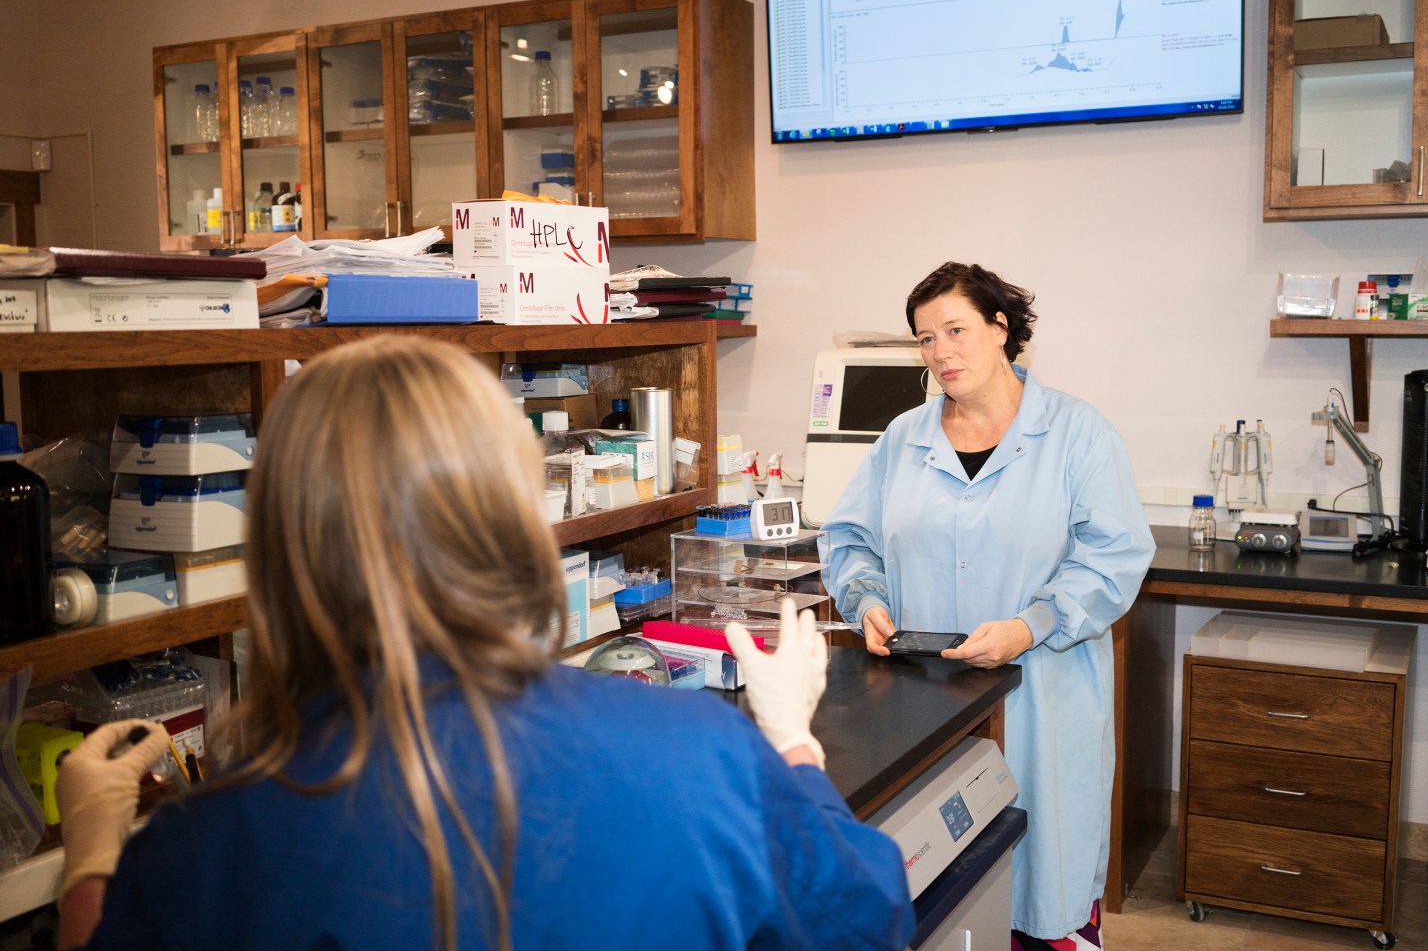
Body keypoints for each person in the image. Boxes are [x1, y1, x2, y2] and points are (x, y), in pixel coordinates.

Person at [56, 336, 915, 951]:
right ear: (516, 518)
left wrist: (91, 857)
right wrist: (794, 740)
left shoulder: (201, 853)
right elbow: (865, 916)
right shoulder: (698, 755)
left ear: (282, 546)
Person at [823, 263, 1155, 950]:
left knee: (1045, 892)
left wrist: (1030, 626)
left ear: (1001, 329)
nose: (940, 352)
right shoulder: (902, 440)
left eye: (956, 330)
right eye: (924, 338)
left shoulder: (1077, 434)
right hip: (925, 711)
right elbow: (849, 540)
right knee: (944, 896)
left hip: (1044, 700)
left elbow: (1114, 556)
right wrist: (865, 600)